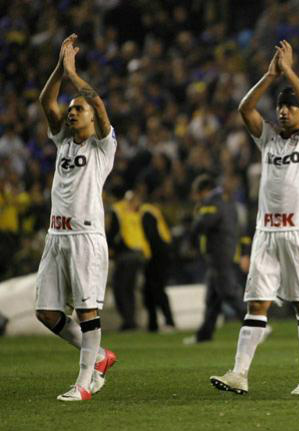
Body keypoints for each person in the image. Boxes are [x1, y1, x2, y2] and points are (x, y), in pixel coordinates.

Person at [210, 40, 299, 396]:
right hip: (267, 233)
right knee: (256, 302)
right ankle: (239, 374)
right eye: (280, 108)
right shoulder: (269, 140)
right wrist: (269, 75)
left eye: (289, 108)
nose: (284, 112)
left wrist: (289, 71)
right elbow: (245, 108)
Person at [34, 34, 117, 401]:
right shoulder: (63, 141)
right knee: (46, 312)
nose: (71, 111)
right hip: (56, 237)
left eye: (77, 109)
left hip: (85, 238)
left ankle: (83, 384)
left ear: (91, 119)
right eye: (70, 108)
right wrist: (58, 68)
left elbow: (97, 101)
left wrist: (73, 72)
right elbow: (45, 101)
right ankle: (100, 355)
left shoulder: (103, 145)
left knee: (87, 310)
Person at [185, 174, 245, 344]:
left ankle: (255, 325)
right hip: (224, 253)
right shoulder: (226, 201)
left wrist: (194, 224)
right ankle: (204, 335)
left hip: (219, 254)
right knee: (212, 299)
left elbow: (202, 224)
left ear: (203, 191)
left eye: (197, 193)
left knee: (229, 292)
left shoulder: (212, 203)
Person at [107, 189, 148, 331]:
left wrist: (110, 246)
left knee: (121, 289)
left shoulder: (118, 211)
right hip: (137, 254)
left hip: (125, 255)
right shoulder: (138, 212)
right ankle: (130, 320)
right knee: (128, 289)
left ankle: (129, 321)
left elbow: (114, 231)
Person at [140, 190, 176, 333]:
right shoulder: (155, 211)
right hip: (162, 254)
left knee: (156, 289)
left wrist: (148, 255)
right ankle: (153, 324)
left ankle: (168, 321)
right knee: (149, 290)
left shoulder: (146, 213)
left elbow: (151, 236)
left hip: (156, 256)